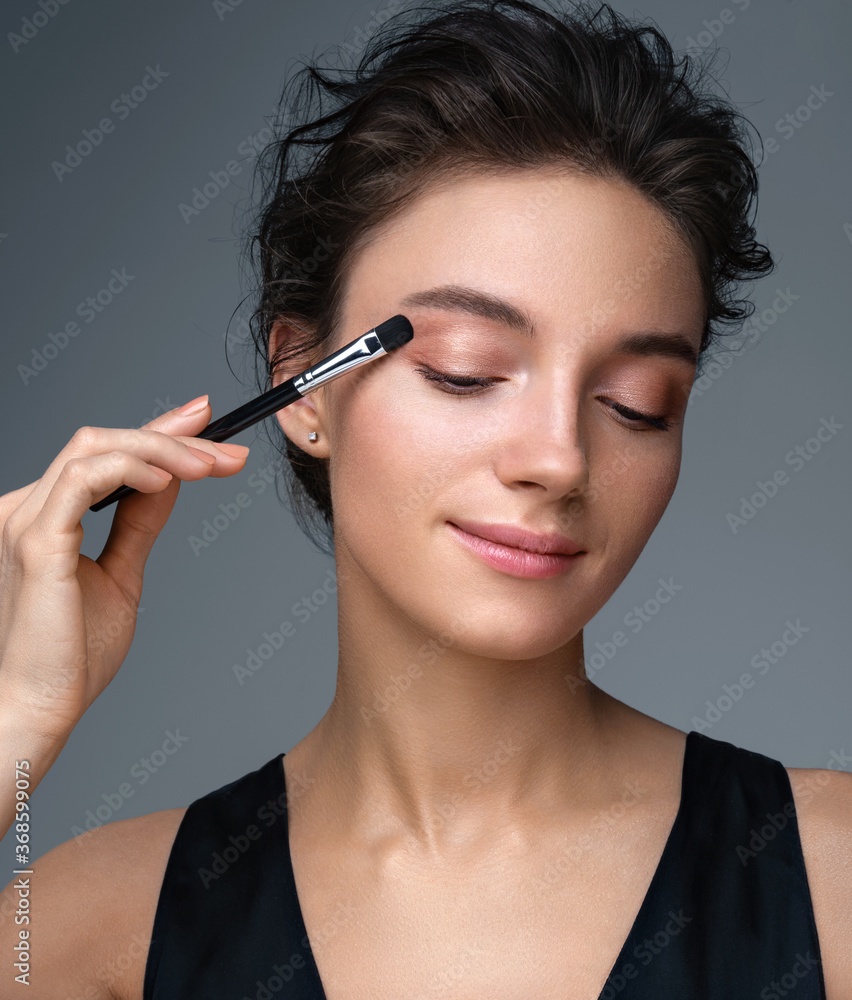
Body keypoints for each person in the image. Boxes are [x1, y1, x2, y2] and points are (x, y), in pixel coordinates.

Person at [0, 0, 849, 997]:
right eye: (465, 370)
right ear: (304, 388)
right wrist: (16, 718)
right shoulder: (94, 927)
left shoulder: (831, 881)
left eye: (636, 403)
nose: (559, 459)